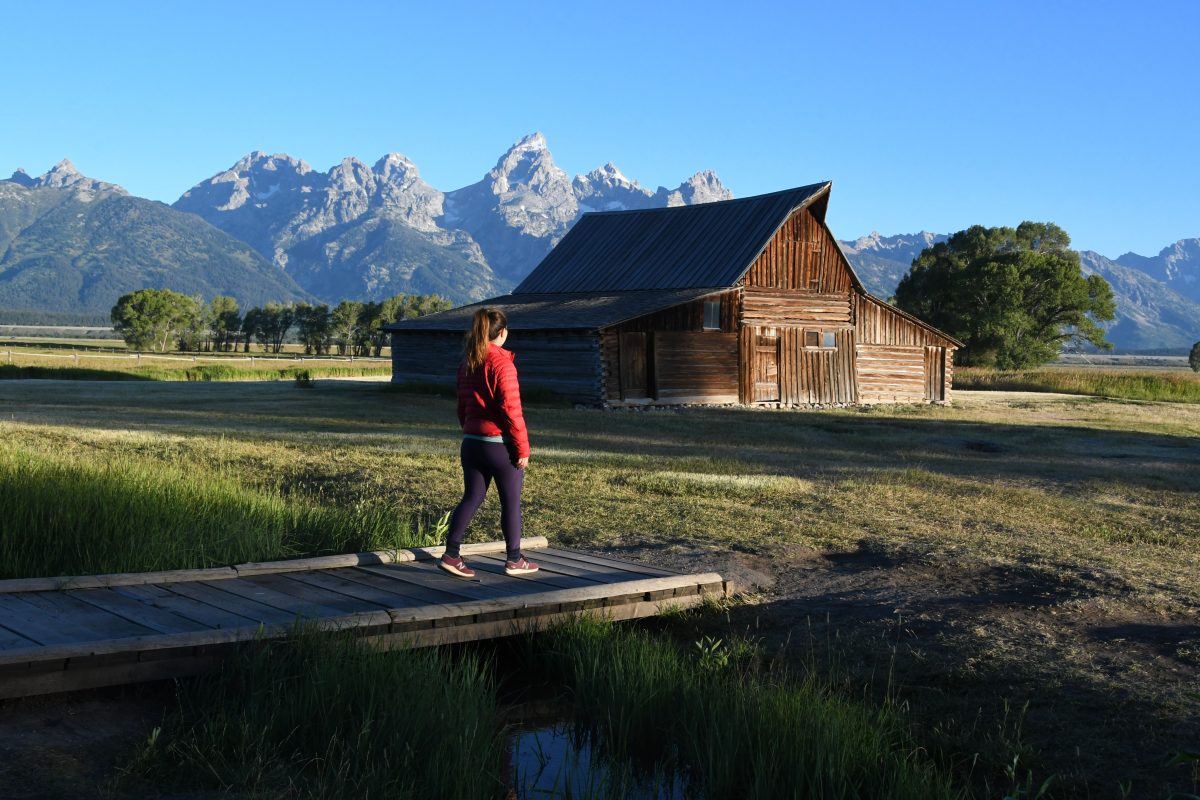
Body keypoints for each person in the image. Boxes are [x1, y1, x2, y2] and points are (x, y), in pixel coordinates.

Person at [440, 307, 540, 578]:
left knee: (472, 497)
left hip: (471, 442)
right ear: (503, 333)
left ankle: (451, 554)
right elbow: (511, 410)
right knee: (511, 502)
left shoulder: (467, 363)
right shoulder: (503, 364)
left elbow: (462, 407)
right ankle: (515, 560)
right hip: (499, 445)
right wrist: (522, 448)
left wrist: (470, 432)